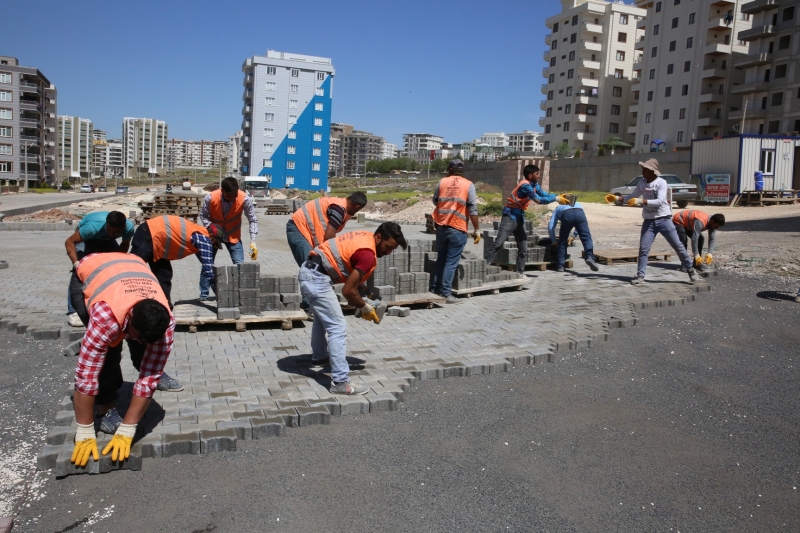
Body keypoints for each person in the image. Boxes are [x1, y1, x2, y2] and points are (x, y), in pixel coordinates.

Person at [68, 252, 174, 467]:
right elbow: (86, 376)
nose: (143, 342)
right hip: (90, 272)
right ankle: (105, 408)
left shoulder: (167, 325)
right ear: (131, 319)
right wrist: (85, 429)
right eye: (138, 336)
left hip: (131, 268)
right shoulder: (105, 315)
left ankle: (109, 341)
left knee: (137, 349)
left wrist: (128, 429)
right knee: (107, 356)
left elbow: (149, 378)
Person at [298, 223, 407, 395]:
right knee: (337, 327)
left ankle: (319, 357)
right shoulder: (368, 254)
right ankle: (340, 382)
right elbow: (347, 291)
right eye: (388, 247)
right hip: (316, 279)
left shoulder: (365, 237)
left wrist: (363, 288)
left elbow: (347, 260)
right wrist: (365, 307)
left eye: (392, 249)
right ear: (378, 238)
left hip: (311, 272)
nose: (388, 253)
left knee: (322, 319)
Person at [605, 158, 697, 285]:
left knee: (678, 246)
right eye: (643, 169)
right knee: (643, 249)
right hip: (649, 221)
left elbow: (659, 201)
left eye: (645, 169)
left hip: (664, 219)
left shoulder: (661, 183)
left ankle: (690, 269)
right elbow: (632, 196)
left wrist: (641, 201)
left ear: (653, 171)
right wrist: (617, 198)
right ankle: (640, 276)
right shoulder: (642, 183)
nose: (643, 172)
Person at [484, 164, 570, 274]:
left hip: (519, 217)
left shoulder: (534, 185)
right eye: (537, 174)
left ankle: (519, 273)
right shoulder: (525, 186)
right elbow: (538, 200)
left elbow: (545, 194)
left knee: (523, 249)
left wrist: (560, 196)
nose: (539, 176)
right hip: (509, 217)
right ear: (530, 175)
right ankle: (483, 268)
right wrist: (556, 199)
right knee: (498, 244)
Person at [129, 215, 224, 306]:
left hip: (158, 244)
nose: (212, 246)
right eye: (214, 243)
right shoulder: (204, 239)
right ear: (211, 235)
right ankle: (126, 302)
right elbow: (209, 270)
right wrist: (219, 294)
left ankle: (165, 307)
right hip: (149, 233)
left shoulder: (197, 233)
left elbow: (205, 262)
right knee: (133, 270)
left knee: (164, 275)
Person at [64, 211, 135, 327]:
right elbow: (69, 241)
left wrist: (116, 261)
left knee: (114, 268)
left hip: (106, 241)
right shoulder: (91, 228)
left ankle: (109, 303)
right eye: (109, 229)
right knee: (79, 272)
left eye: (116, 232)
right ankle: (73, 311)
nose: (112, 233)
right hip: (87, 239)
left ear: (123, 228)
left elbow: (125, 243)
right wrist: (76, 263)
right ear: (106, 224)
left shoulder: (129, 228)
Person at [198, 177, 259, 299]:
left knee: (239, 265)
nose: (233, 197)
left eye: (234, 194)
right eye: (229, 195)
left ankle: (239, 294)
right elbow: (203, 215)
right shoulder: (211, 197)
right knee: (207, 264)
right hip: (214, 236)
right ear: (222, 191)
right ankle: (204, 295)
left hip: (233, 236)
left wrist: (253, 241)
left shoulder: (244, 198)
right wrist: (210, 226)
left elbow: (253, 219)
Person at [429, 160, 480, 303]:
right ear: (462, 170)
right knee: (451, 262)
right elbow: (473, 209)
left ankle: (435, 289)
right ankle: (446, 293)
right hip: (457, 228)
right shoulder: (468, 185)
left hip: (441, 227)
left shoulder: (442, 182)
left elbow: (435, 201)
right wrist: (477, 229)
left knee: (441, 259)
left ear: (449, 169)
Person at [286, 192, 369, 266]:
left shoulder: (339, 204)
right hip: (298, 227)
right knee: (311, 268)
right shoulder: (339, 209)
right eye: (358, 210)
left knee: (316, 267)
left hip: (304, 229)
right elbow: (329, 235)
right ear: (357, 206)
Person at [548, 201, 600, 272]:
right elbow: (579, 223)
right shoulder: (578, 204)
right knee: (586, 238)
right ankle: (589, 257)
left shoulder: (558, 208)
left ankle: (561, 265)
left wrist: (554, 241)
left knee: (562, 240)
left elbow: (551, 227)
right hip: (580, 213)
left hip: (566, 214)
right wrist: (573, 236)